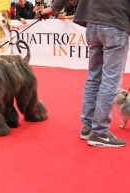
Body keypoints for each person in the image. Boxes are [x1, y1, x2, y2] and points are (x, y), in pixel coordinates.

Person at [40, 0, 130, 147]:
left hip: (92, 22)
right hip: (116, 21)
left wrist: (54, 8)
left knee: (94, 78)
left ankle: (88, 127)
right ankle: (100, 132)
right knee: (111, 81)